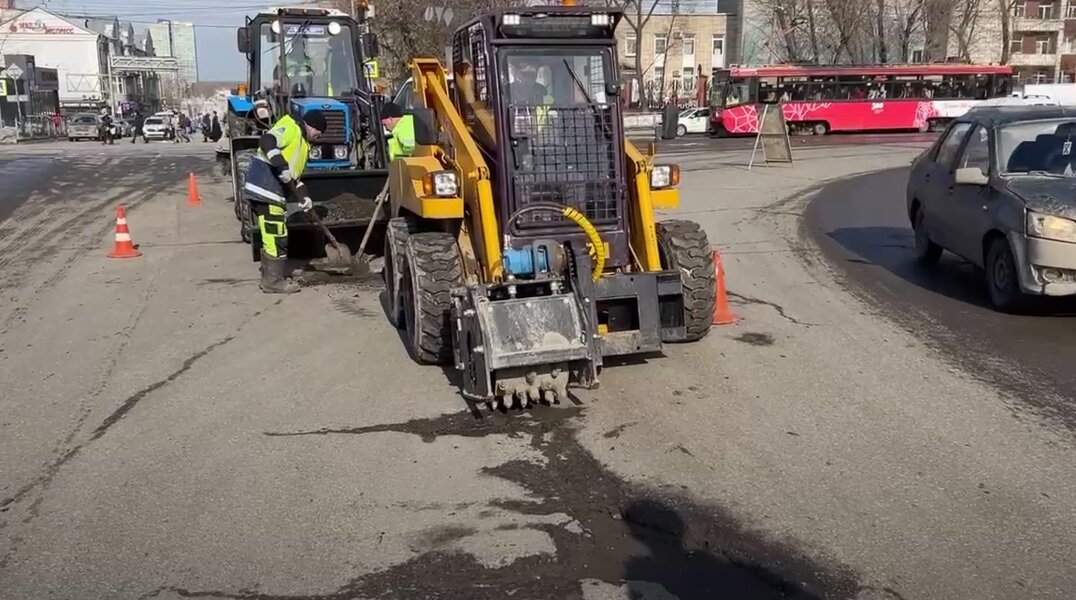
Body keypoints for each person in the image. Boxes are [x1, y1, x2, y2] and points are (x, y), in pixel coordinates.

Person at [242, 110, 327, 293]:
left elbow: (295, 179)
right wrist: (281, 165)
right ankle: (273, 281)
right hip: (265, 188)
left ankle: (269, 277)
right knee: (276, 236)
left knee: (271, 236)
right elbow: (267, 141)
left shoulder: (303, 145)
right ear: (311, 126)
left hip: (271, 192)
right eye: (318, 133)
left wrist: (305, 198)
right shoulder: (291, 127)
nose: (318, 138)